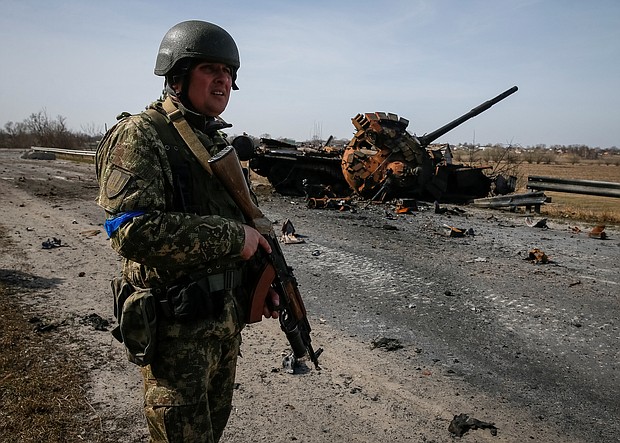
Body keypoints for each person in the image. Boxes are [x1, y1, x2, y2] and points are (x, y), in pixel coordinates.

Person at [95, 20, 279, 442]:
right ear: (177, 76)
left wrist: (258, 280)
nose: (223, 80)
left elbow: (238, 226)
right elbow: (132, 231)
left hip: (221, 329)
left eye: (229, 72)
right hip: (177, 336)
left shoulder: (213, 142)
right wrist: (237, 239)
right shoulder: (141, 134)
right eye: (210, 69)